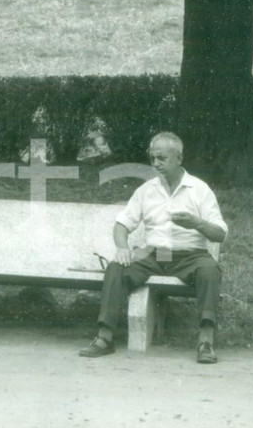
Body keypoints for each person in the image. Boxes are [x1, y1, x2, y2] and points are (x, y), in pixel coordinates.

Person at [79, 132, 227, 364]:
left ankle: (206, 342)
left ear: (179, 158)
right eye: (152, 158)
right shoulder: (146, 190)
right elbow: (121, 225)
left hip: (190, 256)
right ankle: (104, 338)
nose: (156, 164)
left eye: (162, 158)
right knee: (116, 267)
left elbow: (220, 233)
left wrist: (196, 223)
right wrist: (122, 247)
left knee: (210, 270)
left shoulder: (199, 190)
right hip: (154, 255)